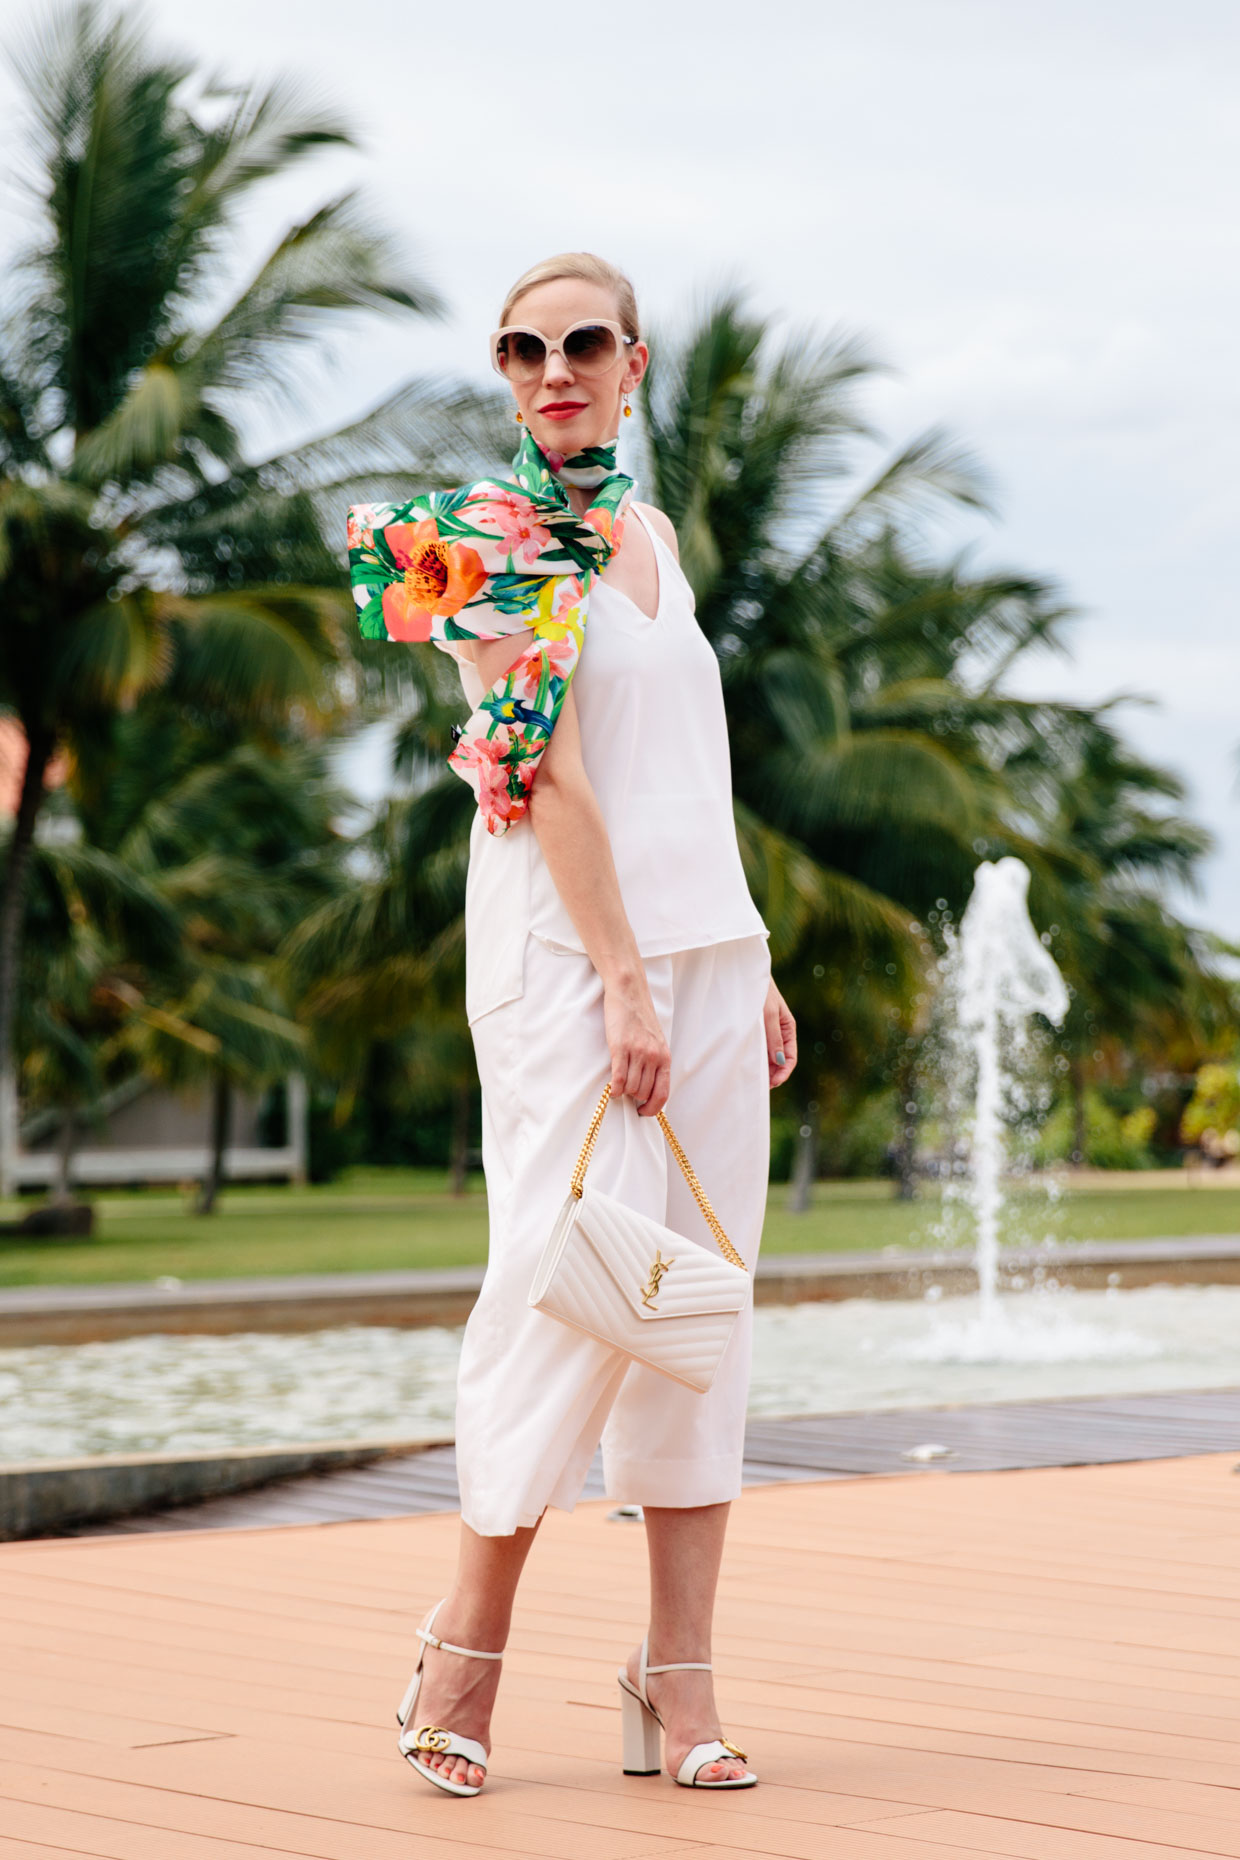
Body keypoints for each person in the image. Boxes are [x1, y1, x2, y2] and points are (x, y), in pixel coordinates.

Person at [380, 253, 797, 1797]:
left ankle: (675, 1681)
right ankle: (463, 1654)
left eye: (582, 343)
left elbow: (688, 764)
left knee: (699, 1312)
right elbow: (538, 766)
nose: (552, 369)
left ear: (634, 361)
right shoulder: (470, 542)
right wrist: (625, 974)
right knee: (553, 1284)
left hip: (705, 949)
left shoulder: (656, 537)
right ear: (502, 371)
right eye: (521, 347)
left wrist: (735, 957)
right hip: (567, 958)